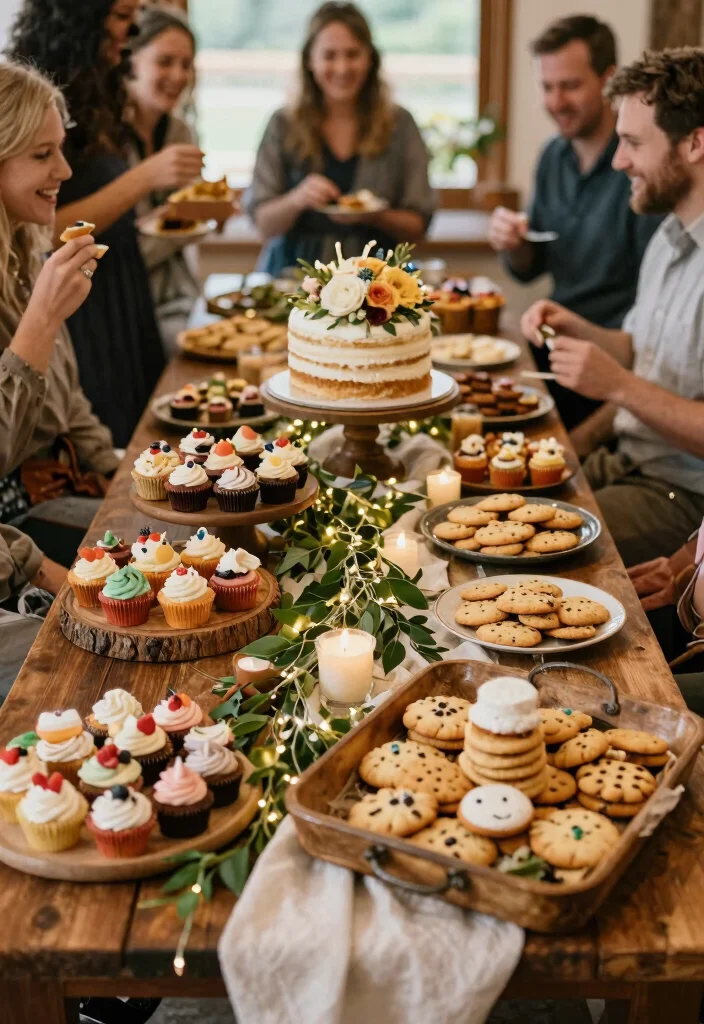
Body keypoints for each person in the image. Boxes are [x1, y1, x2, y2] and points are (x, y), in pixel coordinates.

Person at [521, 47, 704, 568]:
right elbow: (639, 348)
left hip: (685, 497)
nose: (619, 160)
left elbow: (629, 379)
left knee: (527, 554)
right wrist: (578, 327)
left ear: (695, 142)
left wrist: (617, 386)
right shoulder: (669, 235)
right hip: (628, 461)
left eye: (632, 143)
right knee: (486, 510)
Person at [9, 0, 204, 447]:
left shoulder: (102, 92)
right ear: (80, 17)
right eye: (120, 16)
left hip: (122, 288)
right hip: (87, 300)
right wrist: (145, 177)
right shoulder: (45, 103)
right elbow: (43, 229)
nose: (130, 30)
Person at [0, 61, 117, 696]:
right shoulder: (34, 291)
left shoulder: (25, 258)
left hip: (37, 515)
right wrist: (41, 318)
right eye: (43, 154)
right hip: (17, 523)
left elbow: (70, 408)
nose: (65, 173)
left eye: (62, 149)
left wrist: (128, 485)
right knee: (82, 666)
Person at [488, 16, 662, 430]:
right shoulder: (553, 156)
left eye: (570, 86)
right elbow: (535, 266)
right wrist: (515, 244)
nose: (555, 101)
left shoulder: (640, 169)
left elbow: (653, 307)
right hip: (556, 345)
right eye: (547, 87)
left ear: (609, 79)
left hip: (615, 364)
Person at [245, 0, 435, 277]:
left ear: (370, 58)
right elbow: (262, 224)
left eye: (352, 54)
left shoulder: (400, 125)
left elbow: (419, 224)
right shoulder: (283, 124)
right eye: (329, 56)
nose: (342, 68)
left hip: (379, 281)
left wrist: (375, 214)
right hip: (293, 279)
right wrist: (297, 199)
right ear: (310, 60)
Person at [126, 3, 201, 348]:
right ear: (130, 59)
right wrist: (177, 223)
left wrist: (200, 215)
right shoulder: (106, 140)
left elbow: (188, 223)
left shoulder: (181, 133)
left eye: (186, 64)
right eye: (165, 61)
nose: (179, 76)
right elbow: (121, 252)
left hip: (180, 299)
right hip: (126, 306)